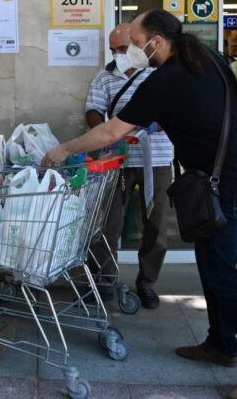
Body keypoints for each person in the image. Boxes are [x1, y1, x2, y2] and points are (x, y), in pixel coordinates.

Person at [42, 9, 237, 399]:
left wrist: (63, 149)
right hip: (231, 172)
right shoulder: (207, 58)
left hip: (230, 180)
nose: (134, 51)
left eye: (136, 44)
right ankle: (221, 344)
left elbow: (111, 130)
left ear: (157, 40)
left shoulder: (166, 78)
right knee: (211, 263)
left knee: (223, 271)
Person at [84, 22, 174, 310]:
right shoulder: (105, 76)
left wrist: (156, 124)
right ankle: (105, 281)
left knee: (155, 224)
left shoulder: (160, 74)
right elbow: (93, 111)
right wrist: (109, 129)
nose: (118, 54)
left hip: (156, 161)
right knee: (108, 225)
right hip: (117, 160)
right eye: (113, 50)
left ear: (138, 45)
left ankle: (147, 283)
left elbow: (175, 112)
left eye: (123, 48)